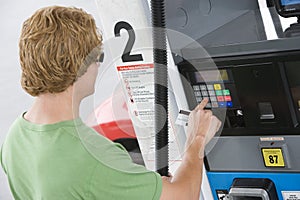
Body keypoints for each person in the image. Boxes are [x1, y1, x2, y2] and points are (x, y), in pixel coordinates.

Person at [0, 6, 221, 200]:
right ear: (79, 65)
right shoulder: (92, 158)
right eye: (98, 56)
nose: (98, 65)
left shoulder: (15, 137)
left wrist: (141, 186)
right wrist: (197, 140)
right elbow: (184, 196)